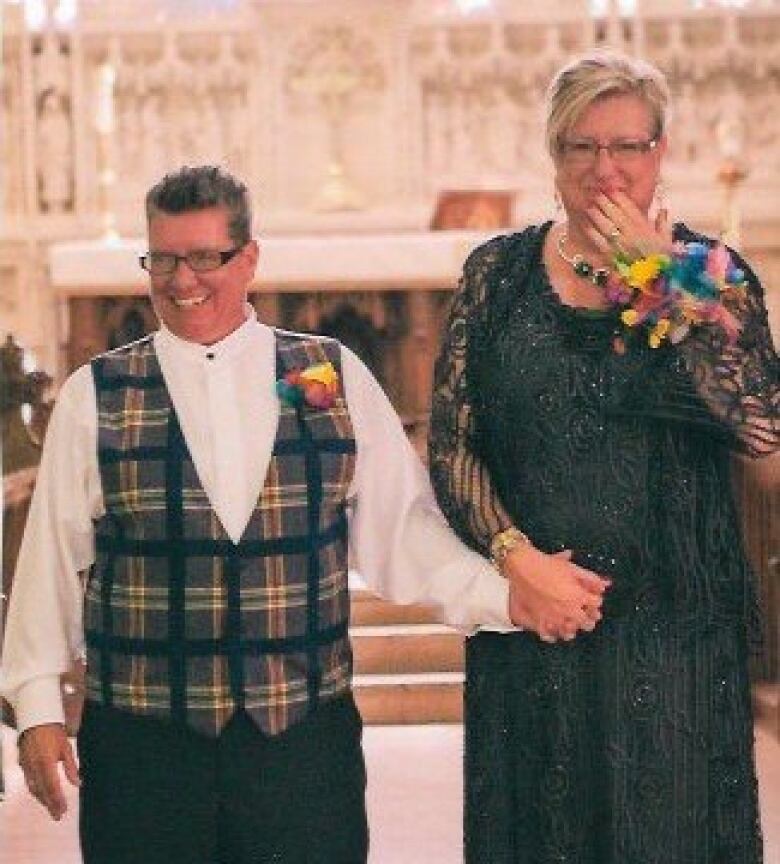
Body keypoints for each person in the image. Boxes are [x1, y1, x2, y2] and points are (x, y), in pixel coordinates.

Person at [0, 164, 530, 864]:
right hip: (144, 749)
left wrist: (511, 596)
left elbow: (405, 537)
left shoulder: (330, 374)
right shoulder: (95, 395)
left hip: (302, 747)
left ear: (248, 258)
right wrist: (36, 708)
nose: (181, 281)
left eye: (204, 258)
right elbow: (50, 566)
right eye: (162, 259)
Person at [429, 51, 778, 864]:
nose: (605, 169)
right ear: (553, 157)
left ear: (661, 152)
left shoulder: (715, 278)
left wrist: (662, 283)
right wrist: (515, 558)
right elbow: (453, 443)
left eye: (627, 146)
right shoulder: (497, 275)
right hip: (536, 622)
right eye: (580, 147)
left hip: (677, 627)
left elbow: (761, 429)